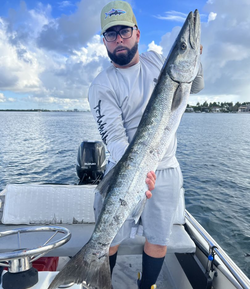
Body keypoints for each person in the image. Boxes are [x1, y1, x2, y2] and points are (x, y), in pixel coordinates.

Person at [88, 1, 204, 288]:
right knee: (111, 238)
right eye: (110, 34)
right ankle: (100, 277)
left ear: (137, 33)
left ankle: (147, 286)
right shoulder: (101, 86)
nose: (118, 39)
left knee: (158, 239)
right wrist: (139, 173)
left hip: (166, 171)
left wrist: (194, 57)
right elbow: (114, 139)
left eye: (124, 31)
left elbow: (195, 85)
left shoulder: (155, 60)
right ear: (104, 41)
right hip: (125, 171)